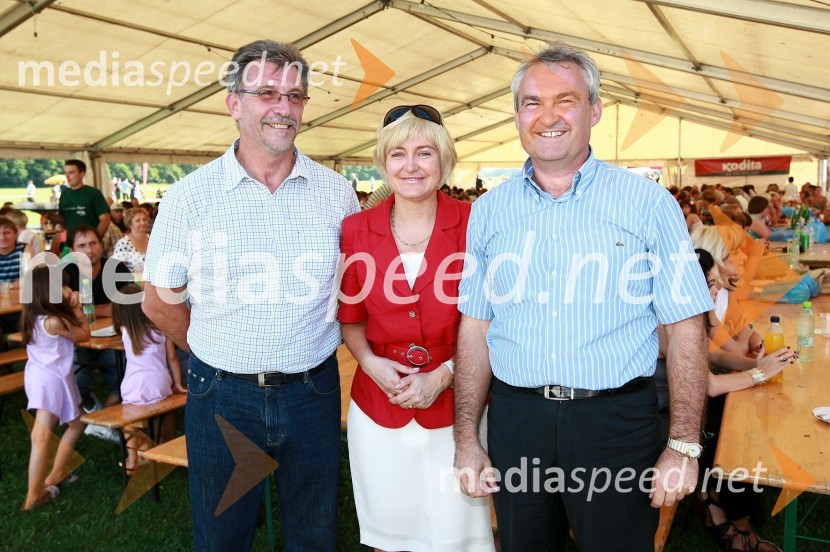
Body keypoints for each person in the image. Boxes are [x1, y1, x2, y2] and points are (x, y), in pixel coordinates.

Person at [453, 42, 713, 551]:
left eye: (565, 100)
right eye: (532, 103)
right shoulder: (489, 211)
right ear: (516, 116)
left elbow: (687, 326)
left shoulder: (647, 203)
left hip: (614, 426)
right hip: (517, 421)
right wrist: (467, 438)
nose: (547, 116)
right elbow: (475, 326)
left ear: (594, 110)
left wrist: (683, 444)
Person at [142, 39, 359, 552]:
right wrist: (215, 358)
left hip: (314, 391)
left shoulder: (337, 193)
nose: (284, 107)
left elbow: (353, 289)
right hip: (221, 395)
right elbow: (157, 302)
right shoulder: (189, 197)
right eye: (267, 93)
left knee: (314, 533)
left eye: (295, 96)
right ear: (233, 103)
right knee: (222, 536)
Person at [339, 105, 495, 551]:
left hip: (458, 408)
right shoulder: (354, 228)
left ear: (444, 160)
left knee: (458, 532)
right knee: (390, 531)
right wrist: (369, 364)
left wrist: (444, 373)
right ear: (383, 163)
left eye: (424, 153)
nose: (411, 166)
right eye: (398, 154)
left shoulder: (475, 223)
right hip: (379, 407)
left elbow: (491, 319)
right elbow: (351, 319)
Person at [21, 264, 90, 510]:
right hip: (52, 380)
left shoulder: (33, 317)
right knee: (41, 436)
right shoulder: (54, 321)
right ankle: (33, 495)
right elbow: (84, 334)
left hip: (42, 376)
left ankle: (56, 473)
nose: (68, 289)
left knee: (77, 422)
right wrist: (76, 309)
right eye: (62, 286)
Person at [113, 283, 186, 475]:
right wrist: (177, 384)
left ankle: (132, 458)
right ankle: (154, 447)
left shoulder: (125, 331)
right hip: (161, 385)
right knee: (155, 412)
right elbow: (172, 358)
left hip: (134, 386)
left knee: (129, 419)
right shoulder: (161, 331)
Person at [61, 225, 132, 409]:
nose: (89, 250)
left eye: (93, 243)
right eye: (82, 245)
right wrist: (108, 308)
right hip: (77, 338)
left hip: (112, 338)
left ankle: (110, 407)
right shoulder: (64, 273)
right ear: (72, 250)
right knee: (75, 377)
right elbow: (58, 310)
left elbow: (127, 306)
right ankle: (89, 404)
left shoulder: (116, 268)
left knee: (128, 371)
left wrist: (87, 309)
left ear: (101, 246)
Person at [59, 159, 110, 237]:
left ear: (82, 174)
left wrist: (95, 238)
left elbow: (105, 219)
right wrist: (49, 216)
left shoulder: (93, 193)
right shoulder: (64, 194)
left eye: (71, 172)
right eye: (65, 172)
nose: (67, 176)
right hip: (70, 243)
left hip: (88, 245)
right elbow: (63, 219)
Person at [112, 207, 150, 277]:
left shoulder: (153, 240)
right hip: (134, 284)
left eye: (144, 219)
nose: (143, 223)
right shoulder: (123, 243)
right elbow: (116, 268)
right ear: (129, 223)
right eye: (138, 220)